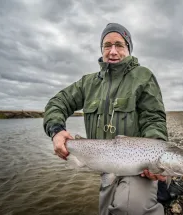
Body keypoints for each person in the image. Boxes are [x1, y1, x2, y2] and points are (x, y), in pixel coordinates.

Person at [43, 23, 169, 215]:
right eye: (107, 45)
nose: (112, 51)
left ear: (128, 48)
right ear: (101, 49)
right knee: (106, 210)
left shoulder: (143, 76)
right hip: (103, 163)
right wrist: (56, 131)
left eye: (119, 45)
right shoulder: (88, 82)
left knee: (130, 208)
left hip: (137, 165)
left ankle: (159, 187)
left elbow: (153, 118)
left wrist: (154, 158)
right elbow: (57, 103)